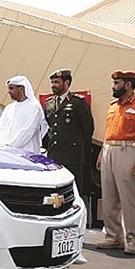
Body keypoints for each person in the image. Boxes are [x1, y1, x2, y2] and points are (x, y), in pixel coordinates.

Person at [96, 70, 135, 255]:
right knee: (109, 197)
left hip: (128, 150)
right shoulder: (113, 106)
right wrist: (101, 153)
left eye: (117, 83)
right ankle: (113, 237)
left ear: (128, 84)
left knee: (130, 200)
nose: (113, 87)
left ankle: (133, 240)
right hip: (109, 149)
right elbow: (108, 131)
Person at [44, 69, 94, 222]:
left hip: (72, 155)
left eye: (57, 82)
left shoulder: (77, 102)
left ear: (67, 83)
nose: (54, 85)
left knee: (73, 191)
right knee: (55, 190)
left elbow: (88, 129)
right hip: (55, 154)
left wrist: (75, 145)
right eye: (52, 82)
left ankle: (75, 220)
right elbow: (49, 127)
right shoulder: (49, 103)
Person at [0, 75, 48, 154]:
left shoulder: (34, 106)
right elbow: (0, 128)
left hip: (27, 152)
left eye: (11, 88)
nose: (9, 92)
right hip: (6, 152)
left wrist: (11, 147)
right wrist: (2, 146)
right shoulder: (9, 108)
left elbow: (29, 130)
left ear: (21, 88)